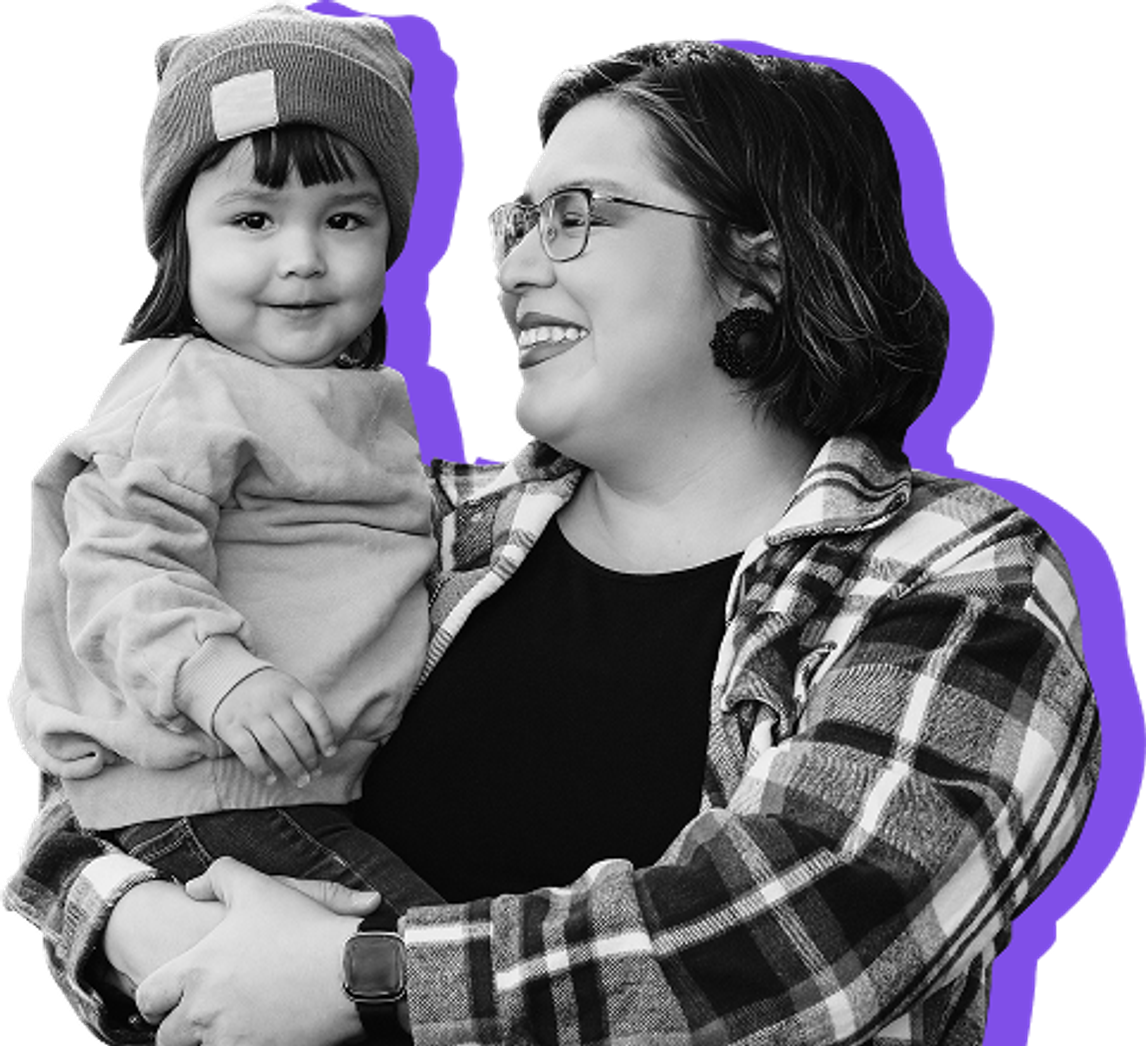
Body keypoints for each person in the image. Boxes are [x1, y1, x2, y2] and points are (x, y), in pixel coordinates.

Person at [2, 34, 1101, 1046]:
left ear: (761, 256)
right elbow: (102, 776)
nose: (519, 266)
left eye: (576, 213)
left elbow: (802, 939)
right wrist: (134, 920)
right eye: (516, 222)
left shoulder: (957, 574)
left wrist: (361, 972)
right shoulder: (431, 529)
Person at [6, 1, 442, 918]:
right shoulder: (185, 386)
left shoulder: (366, 402)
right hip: (215, 796)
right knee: (428, 975)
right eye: (253, 218)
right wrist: (218, 674)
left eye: (347, 219)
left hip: (300, 791)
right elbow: (118, 560)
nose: (303, 258)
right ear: (179, 244)